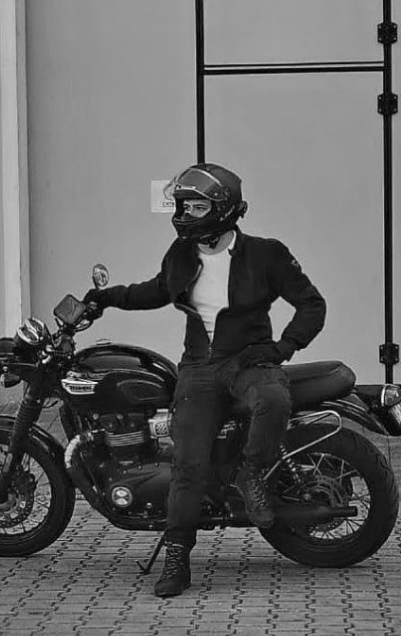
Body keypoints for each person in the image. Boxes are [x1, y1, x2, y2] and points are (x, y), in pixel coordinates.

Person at [83, 163, 326, 597]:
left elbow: (312, 304)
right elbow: (156, 290)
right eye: (184, 206)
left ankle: (251, 474)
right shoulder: (181, 253)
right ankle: (177, 558)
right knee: (188, 464)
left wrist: (283, 348)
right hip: (199, 367)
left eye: (197, 206)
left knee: (273, 400)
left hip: (250, 360)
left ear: (225, 210)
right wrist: (108, 298)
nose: (187, 214)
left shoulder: (267, 254)